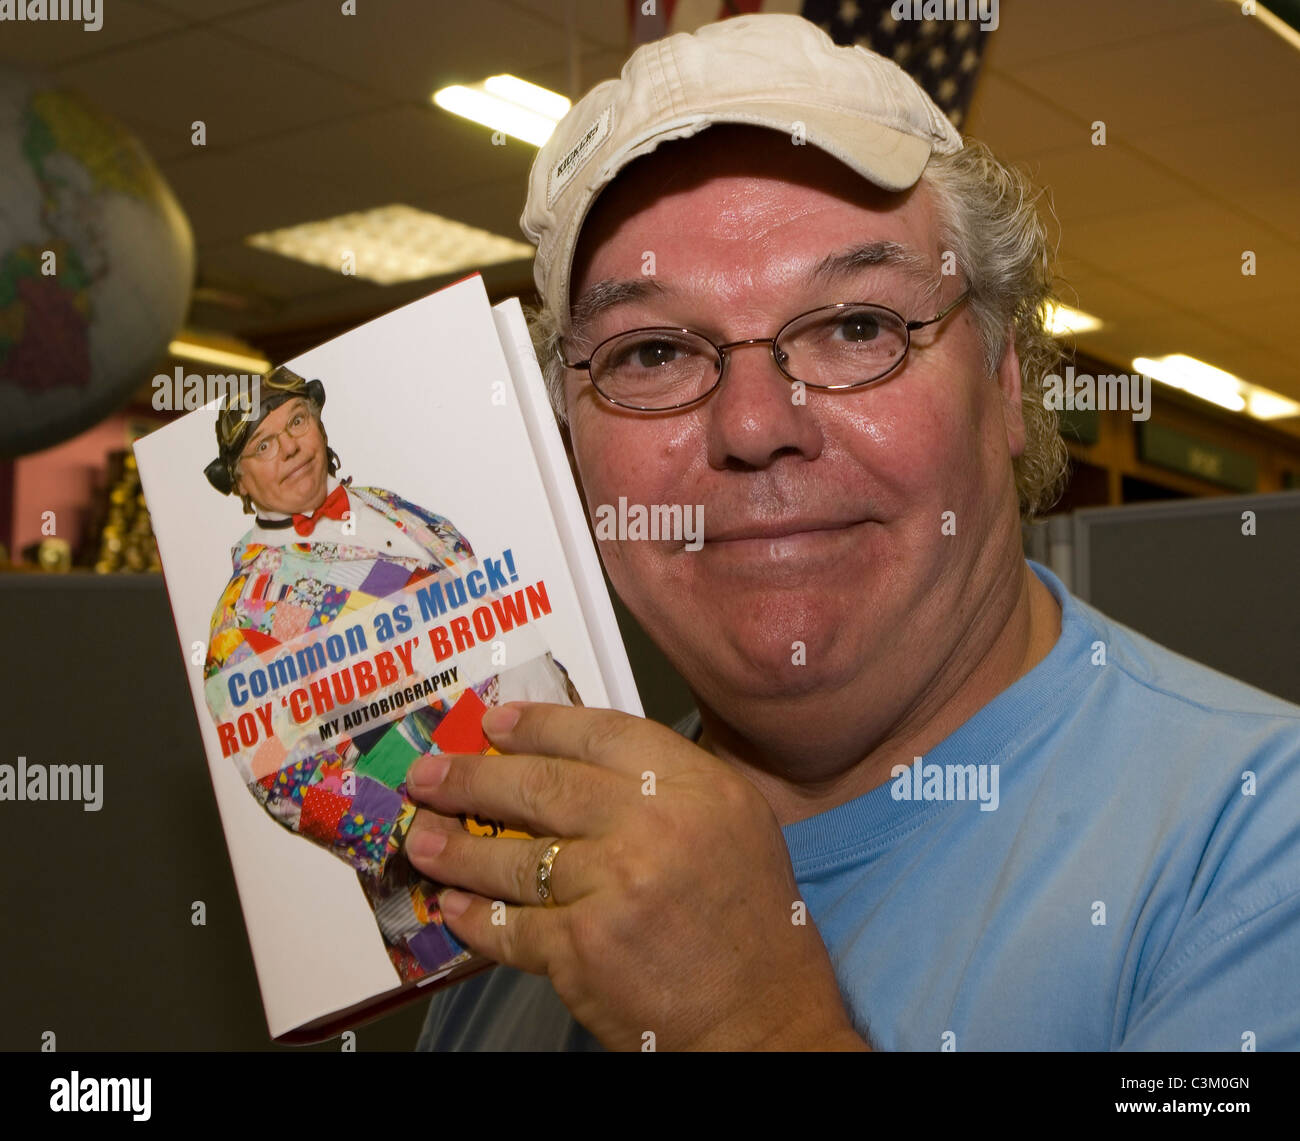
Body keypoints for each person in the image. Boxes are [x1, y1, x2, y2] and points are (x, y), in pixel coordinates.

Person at [407, 13, 1300, 1050]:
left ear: (1006, 380)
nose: (751, 426)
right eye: (651, 352)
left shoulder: (1250, 854)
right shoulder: (522, 879)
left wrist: (752, 1024)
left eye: (856, 326)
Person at [202, 365, 580, 984]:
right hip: (450, 847)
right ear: (239, 483)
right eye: (263, 445)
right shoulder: (244, 608)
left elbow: (484, 602)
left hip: (547, 765)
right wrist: (401, 824)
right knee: (505, 1018)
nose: (291, 447)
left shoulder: (388, 506)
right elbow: (273, 764)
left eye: (296, 421)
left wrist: (558, 688)